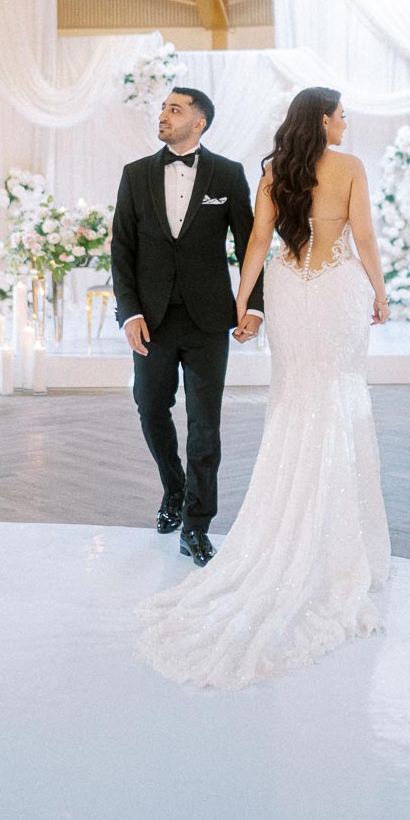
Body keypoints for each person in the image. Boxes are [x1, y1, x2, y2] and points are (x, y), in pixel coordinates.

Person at [136, 86, 391, 689]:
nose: (347, 122)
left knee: (296, 399)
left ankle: (283, 525)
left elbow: (255, 243)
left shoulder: (277, 170)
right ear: (324, 119)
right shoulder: (350, 168)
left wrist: (245, 301)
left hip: (289, 287)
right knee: (334, 397)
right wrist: (380, 292)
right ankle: (333, 538)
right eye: (342, 114)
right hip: (334, 290)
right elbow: (365, 239)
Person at [111, 87, 264, 568]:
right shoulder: (135, 175)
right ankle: (173, 488)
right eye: (163, 108)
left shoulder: (228, 174)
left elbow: (250, 244)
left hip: (208, 320)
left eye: (174, 109)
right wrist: (129, 313)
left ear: (198, 122)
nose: (163, 115)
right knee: (150, 406)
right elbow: (122, 251)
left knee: (205, 424)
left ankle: (197, 525)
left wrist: (254, 307)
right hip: (151, 320)